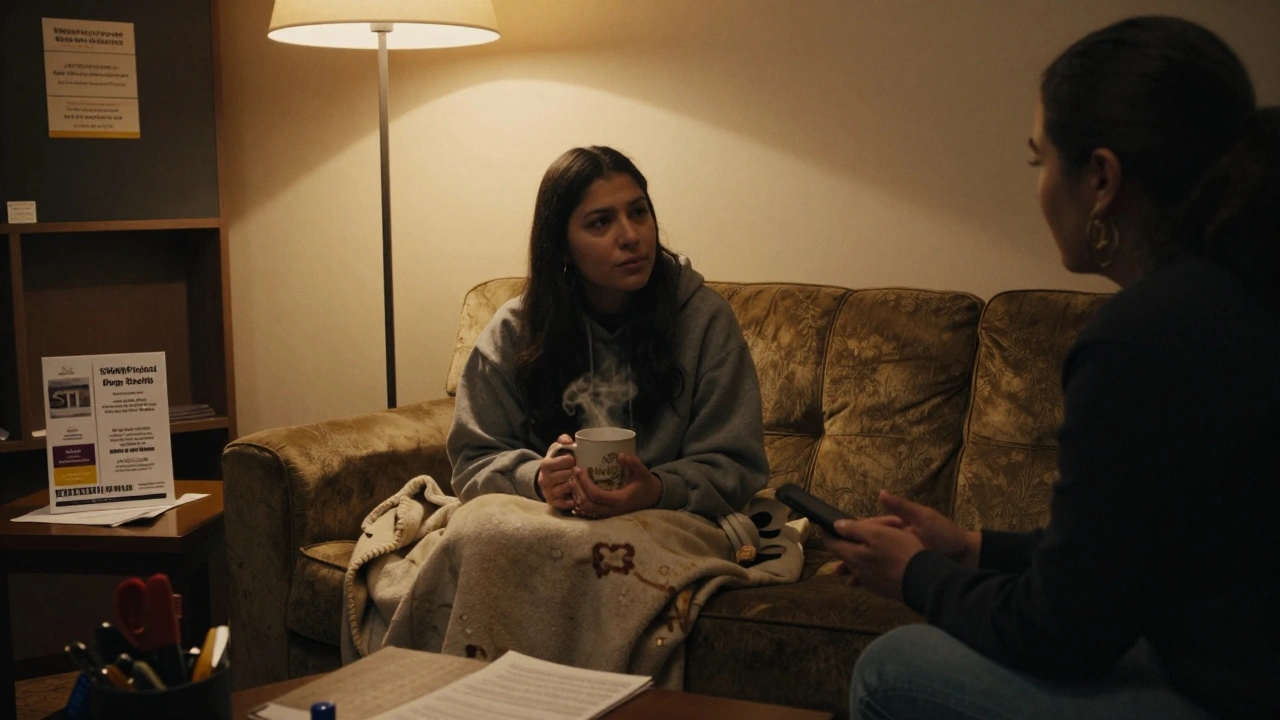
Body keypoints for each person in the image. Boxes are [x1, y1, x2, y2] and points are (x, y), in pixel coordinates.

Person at [822, 16, 1280, 720]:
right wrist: (972, 547)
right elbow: (1121, 554)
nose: (1039, 187)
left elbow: (1062, 633)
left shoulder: (1144, 339)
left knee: (892, 668)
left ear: (1100, 178)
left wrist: (917, 575)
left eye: (1039, 162)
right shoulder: (1239, 291)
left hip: (1229, 696)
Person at [447, 145, 769, 520]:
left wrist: (660, 489)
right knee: (477, 536)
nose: (631, 235)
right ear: (562, 247)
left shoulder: (704, 320)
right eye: (601, 222)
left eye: (638, 212)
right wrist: (536, 479)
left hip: (668, 523)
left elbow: (738, 466)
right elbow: (472, 463)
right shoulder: (515, 330)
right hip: (543, 524)